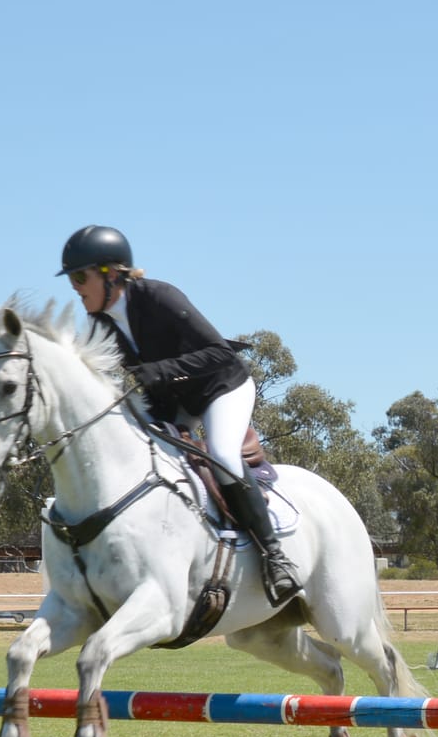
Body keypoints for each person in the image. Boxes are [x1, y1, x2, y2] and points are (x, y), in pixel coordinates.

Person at [56, 224, 303, 606]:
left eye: (79, 276)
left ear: (110, 273)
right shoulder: (99, 325)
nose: (74, 286)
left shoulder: (158, 296)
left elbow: (221, 353)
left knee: (221, 454)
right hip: (171, 403)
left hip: (221, 388)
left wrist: (161, 370)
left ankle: (275, 557)